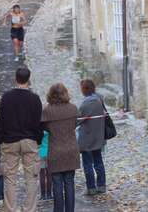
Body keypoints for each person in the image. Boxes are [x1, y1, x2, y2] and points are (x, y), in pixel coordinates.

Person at [0, 67, 43, 212]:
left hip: (10, 141)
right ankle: (30, 208)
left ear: (15, 79)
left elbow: (0, 121)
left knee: (10, 178)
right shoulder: (35, 99)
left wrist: (1, 139)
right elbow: (38, 122)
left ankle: (11, 208)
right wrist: (37, 139)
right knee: (32, 177)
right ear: (28, 79)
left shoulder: (7, 97)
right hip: (29, 140)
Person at [41, 83, 80, 212]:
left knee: (57, 184)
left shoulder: (47, 111)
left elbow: (44, 128)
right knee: (69, 183)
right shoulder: (73, 108)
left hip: (55, 150)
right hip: (71, 149)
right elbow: (75, 125)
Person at [77, 79, 106, 195]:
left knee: (88, 164)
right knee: (99, 162)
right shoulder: (99, 99)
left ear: (84, 89)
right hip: (98, 136)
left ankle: (91, 188)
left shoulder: (86, 103)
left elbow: (77, 120)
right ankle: (101, 185)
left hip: (87, 138)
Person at [38, 130, 53, 200]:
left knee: (41, 175)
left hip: (41, 152)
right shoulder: (49, 129)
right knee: (49, 174)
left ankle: (43, 195)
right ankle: (49, 194)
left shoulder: (39, 129)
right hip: (49, 151)